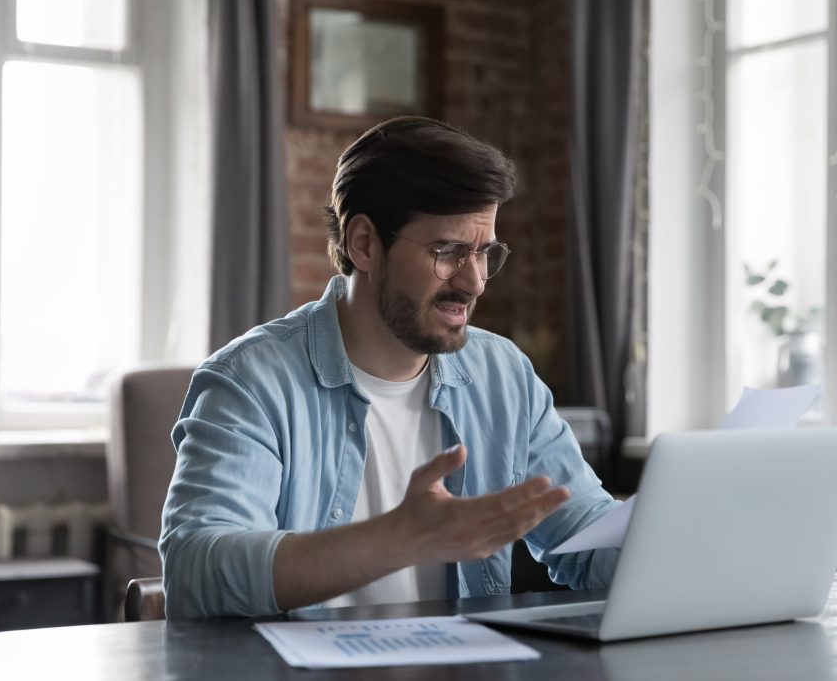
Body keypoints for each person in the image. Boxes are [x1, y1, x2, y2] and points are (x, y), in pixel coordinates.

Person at [159, 116, 620, 619]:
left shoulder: (502, 375)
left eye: (485, 253)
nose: (475, 282)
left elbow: (588, 538)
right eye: (448, 251)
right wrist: (401, 538)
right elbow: (196, 571)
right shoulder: (251, 381)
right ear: (364, 244)